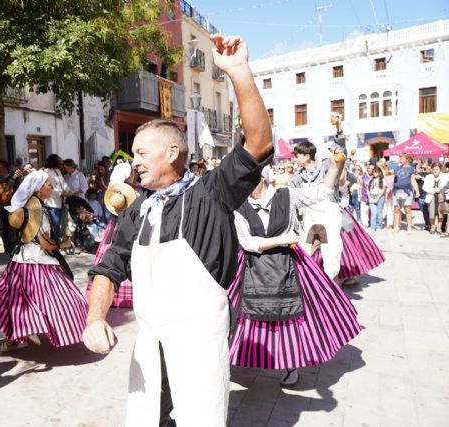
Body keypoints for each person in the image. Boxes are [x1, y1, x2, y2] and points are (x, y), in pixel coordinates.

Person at [84, 34, 273, 426]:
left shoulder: (211, 193)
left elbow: (258, 143)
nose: (132, 162)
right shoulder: (135, 213)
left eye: (139, 152)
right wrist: (95, 318)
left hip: (199, 344)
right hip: (150, 346)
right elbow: (108, 268)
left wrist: (238, 72)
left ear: (172, 153)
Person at [229, 149, 360, 386]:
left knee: (292, 318)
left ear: (261, 177)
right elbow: (248, 243)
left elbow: (323, 192)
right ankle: (240, 356)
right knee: (242, 315)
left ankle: (291, 365)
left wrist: (335, 165)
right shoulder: (239, 207)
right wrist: (283, 238)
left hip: (290, 264)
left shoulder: (287, 195)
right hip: (253, 266)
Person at [0, 170, 87, 351]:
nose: (52, 187)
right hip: (39, 263)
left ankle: (13, 339)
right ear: (38, 189)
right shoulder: (38, 211)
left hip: (20, 261)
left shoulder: (28, 207)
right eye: (48, 184)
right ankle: (74, 330)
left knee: (15, 302)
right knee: (66, 300)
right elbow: (46, 245)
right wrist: (65, 244)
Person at [84, 163, 137, 308]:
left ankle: (106, 294)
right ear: (128, 175)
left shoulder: (113, 192)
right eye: (132, 172)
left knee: (109, 256)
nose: (134, 175)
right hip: (126, 229)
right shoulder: (128, 192)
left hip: (113, 228)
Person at [291, 142, 343, 280]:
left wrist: (340, 142)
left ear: (307, 156)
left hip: (329, 217)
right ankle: (312, 289)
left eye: (297, 156)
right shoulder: (297, 178)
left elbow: (339, 162)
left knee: (331, 256)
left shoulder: (325, 168)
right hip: (309, 219)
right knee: (305, 253)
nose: (295, 159)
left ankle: (334, 294)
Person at [44, 154, 70, 242]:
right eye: (58, 160)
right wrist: (61, 192)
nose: (60, 162)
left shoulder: (58, 171)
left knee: (60, 223)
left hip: (60, 201)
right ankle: (53, 242)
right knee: (55, 223)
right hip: (52, 203)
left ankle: (56, 241)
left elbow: (62, 183)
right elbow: (49, 187)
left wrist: (68, 190)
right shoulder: (47, 172)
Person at [392, 154, 419, 233]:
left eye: (403, 159)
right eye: (400, 159)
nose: (401, 160)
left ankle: (409, 226)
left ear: (407, 159)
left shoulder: (411, 169)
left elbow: (413, 180)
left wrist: (417, 191)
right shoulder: (396, 168)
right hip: (397, 191)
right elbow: (389, 175)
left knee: (408, 209)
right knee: (397, 209)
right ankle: (397, 226)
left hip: (407, 191)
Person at [423, 163, 449, 234]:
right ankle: (432, 227)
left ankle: (439, 228)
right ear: (432, 169)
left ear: (440, 169)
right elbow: (424, 187)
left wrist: (441, 189)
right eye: (434, 169)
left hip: (442, 196)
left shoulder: (445, 176)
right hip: (431, 196)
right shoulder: (428, 176)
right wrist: (433, 190)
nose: (435, 171)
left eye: (437, 169)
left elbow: (447, 186)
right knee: (431, 213)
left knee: (441, 213)